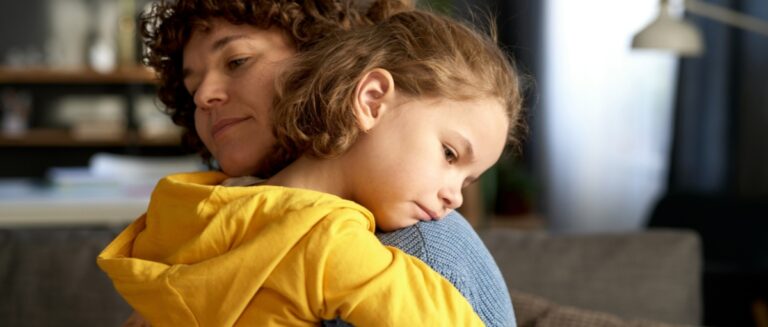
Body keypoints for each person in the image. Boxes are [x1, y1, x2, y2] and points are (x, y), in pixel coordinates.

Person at [99, 7, 522, 326]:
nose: (204, 94)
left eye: (237, 61)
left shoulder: (182, 209)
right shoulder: (329, 243)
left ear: (313, 51)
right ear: (371, 99)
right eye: (449, 155)